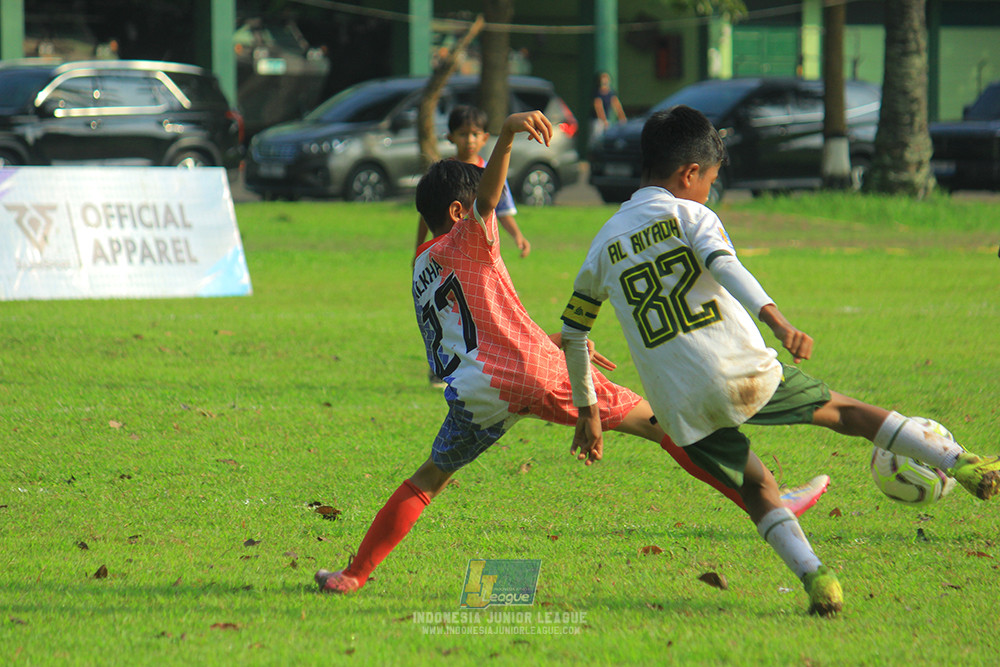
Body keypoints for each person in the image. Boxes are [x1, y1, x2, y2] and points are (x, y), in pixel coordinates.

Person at [314, 111, 829, 595]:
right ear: (457, 212)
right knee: (662, 425)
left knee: (428, 478)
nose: (481, 216)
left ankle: (354, 575)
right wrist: (508, 135)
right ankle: (766, 498)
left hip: (476, 394)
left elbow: (480, 332)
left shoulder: (421, 270)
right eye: (470, 209)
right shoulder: (466, 238)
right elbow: (488, 202)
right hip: (530, 372)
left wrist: (554, 342)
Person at [559, 104, 1000, 618]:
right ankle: (962, 465)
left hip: (678, 403)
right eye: (712, 181)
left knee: (756, 486)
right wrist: (776, 319)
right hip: (738, 371)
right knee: (846, 413)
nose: (710, 192)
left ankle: (819, 581)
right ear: (689, 174)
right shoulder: (691, 214)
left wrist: (588, 410)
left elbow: (573, 331)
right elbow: (726, 265)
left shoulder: (604, 242)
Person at [416, 105, 530, 388]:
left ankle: (484, 362)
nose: (469, 139)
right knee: (446, 312)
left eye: (475, 134)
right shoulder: (443, 176)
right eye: (463, 133)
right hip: (449, 258)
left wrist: (517, 235)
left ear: (484, 138)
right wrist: (421, 248)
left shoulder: (490, 174)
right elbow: (427, 215)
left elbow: (500, 209)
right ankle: (443, 367)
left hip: (476, 258)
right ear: (451, 137)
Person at [591, 71, 627, 142]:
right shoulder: (597, 93)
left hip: (606, 121)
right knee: (596, 140)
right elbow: (599, 108)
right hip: (597, 121)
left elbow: (618, 107)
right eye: (603, 78)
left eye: (606, 78)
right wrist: (604, 121)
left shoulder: (611, 93)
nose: (604, 80)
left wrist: (623, 119)